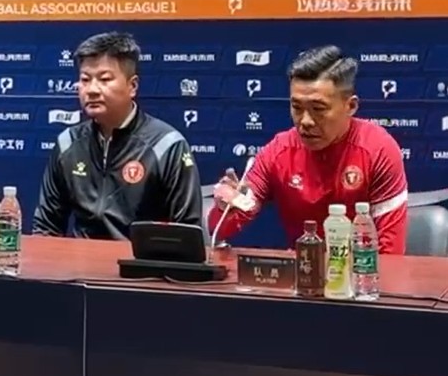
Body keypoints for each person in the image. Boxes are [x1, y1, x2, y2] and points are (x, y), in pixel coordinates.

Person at [208, 45, 408, 254]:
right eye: (297, 107)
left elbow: (390, 253)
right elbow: (220, 232)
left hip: (359, 271)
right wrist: (226, 207)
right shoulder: (278, 151)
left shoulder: (378, 150)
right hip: (303, 269)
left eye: (318, 109)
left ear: (350, 106)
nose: (305, 121)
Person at [32, 31, 204, 240]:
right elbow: (46, 227)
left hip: (141, 260)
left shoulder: (167, 146)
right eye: (85, 79)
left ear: (132, 86)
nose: (92, 90)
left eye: (104, 79)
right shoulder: (68, 143)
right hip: (81, 260)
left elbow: (188, 235)